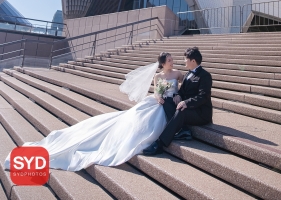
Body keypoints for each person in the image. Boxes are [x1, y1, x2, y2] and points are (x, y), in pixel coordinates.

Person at [4, 52, 182, 171]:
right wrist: (158, 96)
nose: (172, 62)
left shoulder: (177, 74)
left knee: (147, 120)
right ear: (162, 63)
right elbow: (156, 90)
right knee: (135, 117)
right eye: (169, 60)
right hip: (157, 101)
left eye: (172, 60)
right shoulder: (158, 76)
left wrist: (177, 95)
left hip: (169, 102)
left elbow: (183, 88)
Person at [143, 46, 213, 156]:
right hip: (190, 108)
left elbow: (203, 97)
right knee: (167, 102)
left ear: (193, 61)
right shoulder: (188, 74)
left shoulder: (205, 75)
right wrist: (177, 95)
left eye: (186, 59)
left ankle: (160, 143)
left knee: (181, 110)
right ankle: (183, 130)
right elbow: (182, 91)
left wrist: (186, 102)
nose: (184, 61)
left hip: (201, 113)